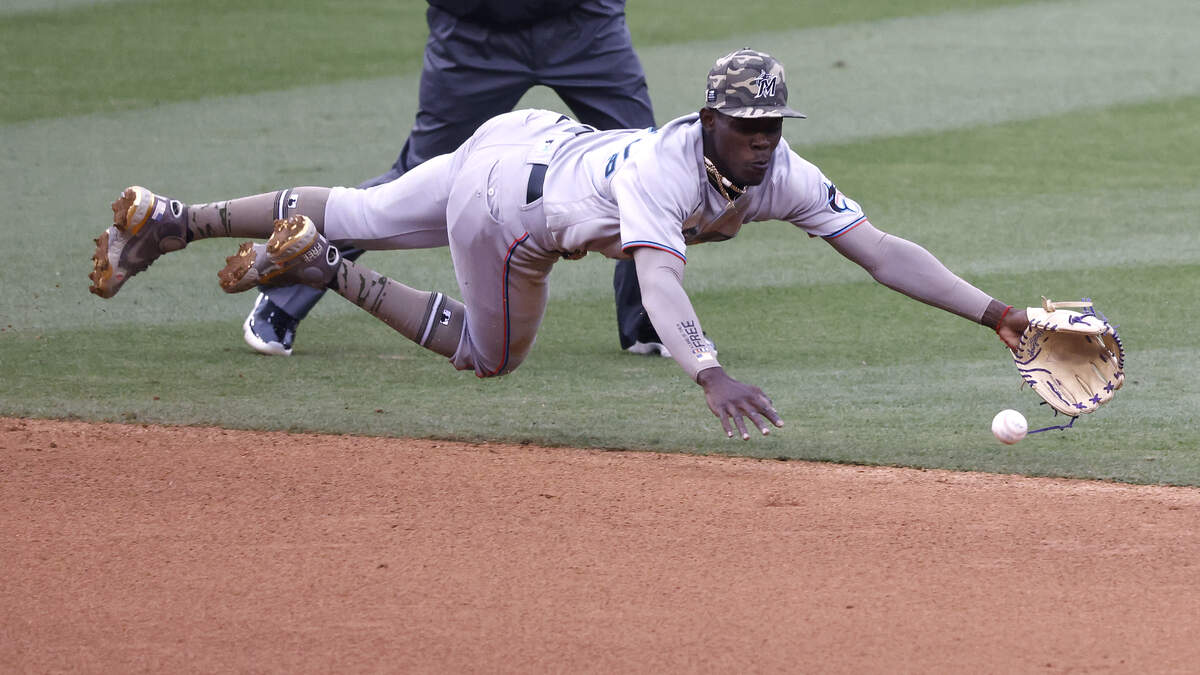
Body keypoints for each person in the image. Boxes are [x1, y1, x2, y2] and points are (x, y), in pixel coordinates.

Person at [88, 48, 1030, 440]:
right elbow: (661, 284)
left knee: (362, 208)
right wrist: (708, 372)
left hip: (524, 138)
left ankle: (174, 219)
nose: (764, 140)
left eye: (773, 124)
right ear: (708, 120)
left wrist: (998, 314)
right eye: (748, 125)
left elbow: (880, 249)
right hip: (510, 211)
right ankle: (317, 268)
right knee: (486, 355)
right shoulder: (668, 173)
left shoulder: (776, 169)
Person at [244, 0, 673, 358]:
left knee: (643, 168)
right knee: (414, 177)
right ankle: (287, 289)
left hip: (584, 27)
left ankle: (646, 321)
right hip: (475, 35)